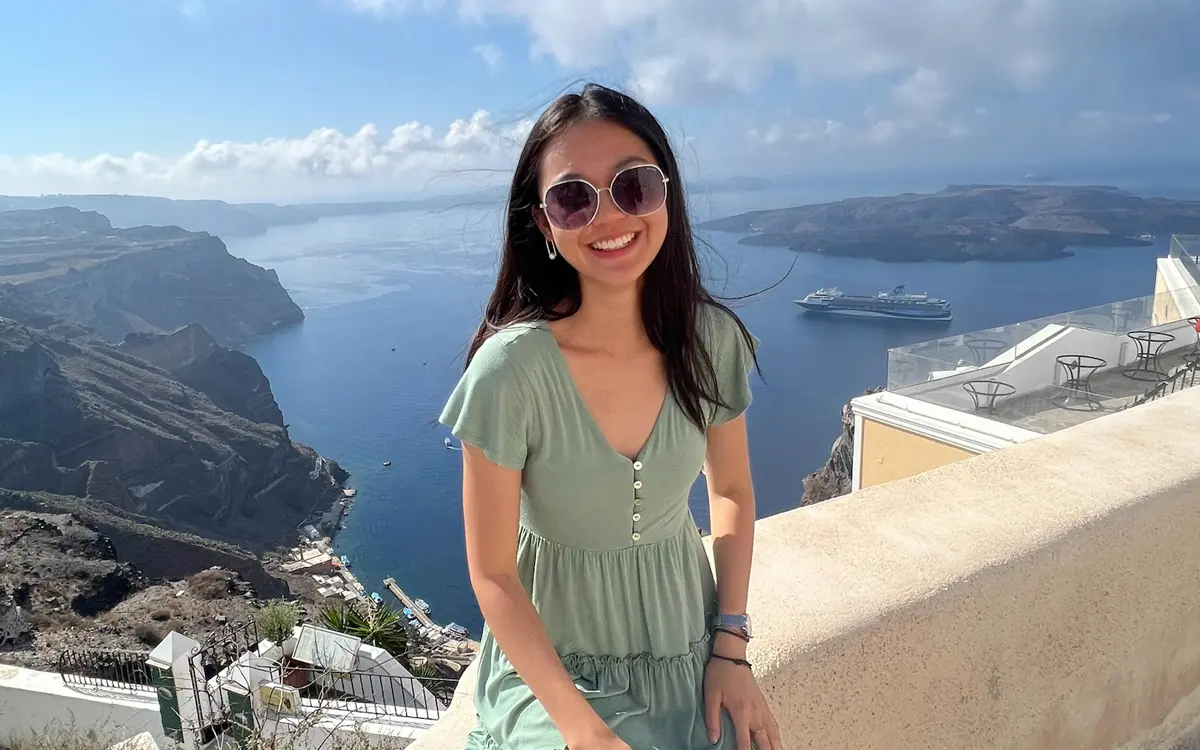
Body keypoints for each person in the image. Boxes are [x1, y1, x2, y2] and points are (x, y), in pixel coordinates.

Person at [439, 83, 781, 750]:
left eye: (633, 185)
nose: (609, 215)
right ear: (544, 223)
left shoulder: (710, 341)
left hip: (687, 645)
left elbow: (733, 492)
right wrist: (581, 730)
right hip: (552, 672)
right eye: (573, 197)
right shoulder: (510, 371)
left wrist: (731, 645)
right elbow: (492, 573)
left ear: (666, 192)